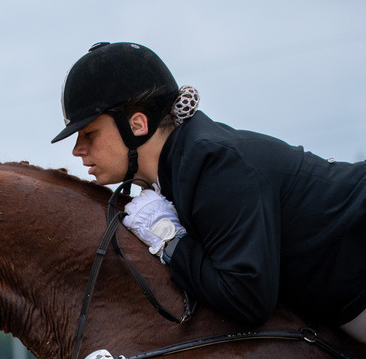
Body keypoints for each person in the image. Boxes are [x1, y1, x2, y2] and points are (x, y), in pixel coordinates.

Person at [52, 42, 366, 338]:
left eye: (89, 134)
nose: (77, 150)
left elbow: (246, 299)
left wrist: (170, 241)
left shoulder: (214, 166)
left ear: (137, 125)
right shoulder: (184, 168)